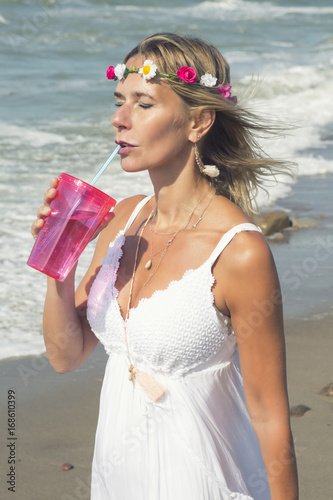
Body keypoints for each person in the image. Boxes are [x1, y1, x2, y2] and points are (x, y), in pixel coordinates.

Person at [31, 33, 298, 500]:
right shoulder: (121, 219)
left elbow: (270, 415)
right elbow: (65, 356)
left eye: (143, 103)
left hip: (204, 479)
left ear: (198, 122)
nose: (119, 119)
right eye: (119, 101)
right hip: (120, 479)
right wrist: (61, 258)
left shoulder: (238, 252)